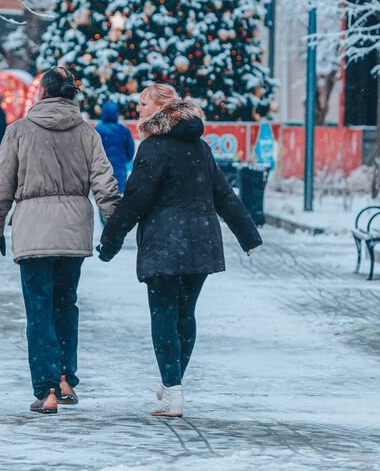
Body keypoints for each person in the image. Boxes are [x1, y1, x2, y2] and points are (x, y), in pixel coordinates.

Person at [97, 84, 262, 419]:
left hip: (165, 243)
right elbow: (223, 194)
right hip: (201, 242)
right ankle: (173, 382)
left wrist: (110, 240)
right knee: (185, 316)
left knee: (164, 316)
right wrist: (248, 235)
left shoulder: (153, 148)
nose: (138, 109)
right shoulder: (199, 146)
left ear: (160, 109)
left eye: (143, 104)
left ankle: (172, 389)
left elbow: (136, 199)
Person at [0, 66, 120, 414]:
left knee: (39, 311)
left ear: (42, 93)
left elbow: (1, 188)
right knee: (65, 305)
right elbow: (105, 183)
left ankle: (46, 391)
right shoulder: (87, 133)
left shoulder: (19, 132)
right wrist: (115, 227)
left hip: (33, 234)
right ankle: (64, 379)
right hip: (73, 233)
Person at [94, 101, 136, 193]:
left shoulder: (97, 129)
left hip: (101, 171)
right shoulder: (123, 129)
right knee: (118, 197)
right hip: (119, 170)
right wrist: (123, 160)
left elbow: (91, 151)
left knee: (102, 198)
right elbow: (130, 150)